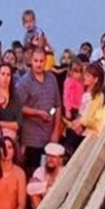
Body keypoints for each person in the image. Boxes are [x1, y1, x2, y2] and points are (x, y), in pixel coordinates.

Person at [17, 49, 62, 178]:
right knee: (34, 175)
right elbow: (19, 108)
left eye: (41, 61)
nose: (38, 64)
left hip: (50, 136)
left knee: (50, 175)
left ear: (46, 61)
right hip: (32, 139)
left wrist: (56, 130)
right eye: (36, 61)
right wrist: (38, 113)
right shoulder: (25, 82)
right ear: (31, 61)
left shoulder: (51, 78)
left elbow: (57, 105)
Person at [0, 63, 21, 142]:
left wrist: (0, 124)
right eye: (3, 74)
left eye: (8, 75)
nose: (5, 78)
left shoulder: (15, 98)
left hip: (12, 141)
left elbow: (18, 124)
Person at [26, 142, 65, 209]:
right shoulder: (40, 171)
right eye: (48, 156)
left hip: (62, 208)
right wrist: (48, 184)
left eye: (54, 157)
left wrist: (41, 186)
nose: (50, 159)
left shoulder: (65, 171)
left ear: (60, 160)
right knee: (34, 195)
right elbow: (30, 189)